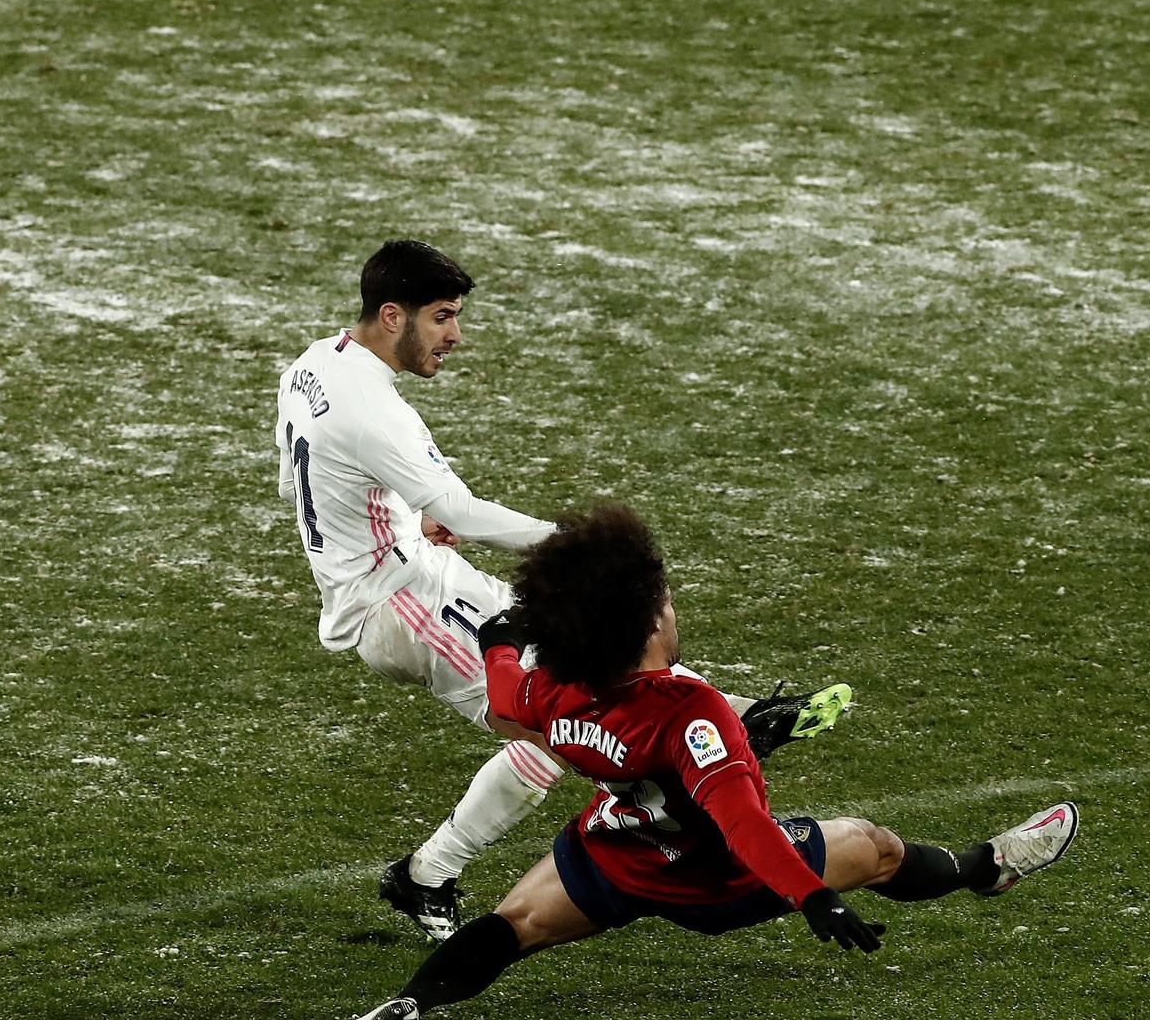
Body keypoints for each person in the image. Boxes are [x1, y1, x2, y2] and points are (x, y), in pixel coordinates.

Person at [293, 503, 1077, 1020]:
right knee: (873, 847)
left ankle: (403, 1009)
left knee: (514, 924)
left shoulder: (560, 688)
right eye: (664, 603)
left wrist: (501, 635)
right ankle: (988, 867)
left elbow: (506, 702)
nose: (673, 608)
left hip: (615, 852)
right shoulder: (693, 714)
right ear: (644, 627)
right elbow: (741, 823)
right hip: (712, 882)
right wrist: (812, 897)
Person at [274, 241, 851, 942]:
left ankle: (743, 717)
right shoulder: (375, 407)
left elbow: (305, 476)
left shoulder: (315, 364)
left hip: (412, 571)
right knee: (557, 720)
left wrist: (399, 512)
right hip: (397, 603)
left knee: (575, 666)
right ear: (393, 316)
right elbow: (459, 510)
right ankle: (428, 874)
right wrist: (573, 545)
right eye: (443, 317)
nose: (455, 335)